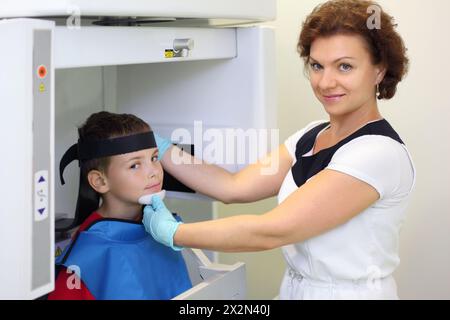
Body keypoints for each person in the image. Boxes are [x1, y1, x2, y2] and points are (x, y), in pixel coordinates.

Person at [143, 0, 416, 299]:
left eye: (345, 66)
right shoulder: (310, 135)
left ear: (379, 70)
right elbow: (232, 187)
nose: (326, 82)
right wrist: (157, 145)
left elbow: (270, 230)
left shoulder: (378, 153)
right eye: (316, 66)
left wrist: (174, 233)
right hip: (296, 289)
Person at [48, 111, 192, 300]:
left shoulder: (162, 226)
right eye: (134, 165)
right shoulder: (83, 260)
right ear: (99, 181)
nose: (154, 172)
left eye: (154, 158)